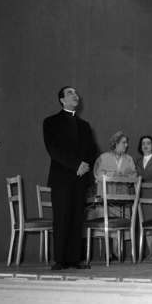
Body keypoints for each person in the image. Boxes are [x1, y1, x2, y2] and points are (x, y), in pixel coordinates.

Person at [43, 86, 95, 270]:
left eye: (76, 93)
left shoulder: (85, 125)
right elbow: (53, 149)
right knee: (62, 217)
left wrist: (85, 165)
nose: (75, 95)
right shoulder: (50, 122)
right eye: (70, 93)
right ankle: (60, 260)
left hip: (81, 178)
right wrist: (76, 165)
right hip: (62, 178)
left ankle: (74, 259)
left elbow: (92, 150)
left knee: (77, 218)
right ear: (62, 100)